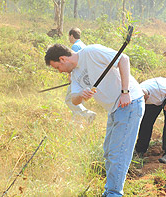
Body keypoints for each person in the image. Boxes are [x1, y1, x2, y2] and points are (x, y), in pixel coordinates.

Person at [45, 43, 145, 196]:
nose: (59, 71)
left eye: (57, 67)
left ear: (62, 59)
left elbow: (123, 59)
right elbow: (74, 99)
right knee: (109, 152)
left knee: (118, 153)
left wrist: (125, 91)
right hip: (114, 109)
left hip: (129, 103)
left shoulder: (91, 52)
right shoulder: (75, 75)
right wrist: (81, 95)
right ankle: (110, 191)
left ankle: (113, 193)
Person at [134, 77, 166, 163]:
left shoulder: (159, 87)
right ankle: (140, 150)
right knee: (146, 122)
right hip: (155, 100)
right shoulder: (137, 93)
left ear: (148, 96)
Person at [65, 27, 96, 124]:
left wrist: (70, 76)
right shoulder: (83, 45)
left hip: (77, 78)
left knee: (69, 100)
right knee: (78, 102)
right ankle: (78, 124)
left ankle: (88, 114)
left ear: (71, 35)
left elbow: (73, 63)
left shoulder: (75, 46)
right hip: (86, 78)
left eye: (69, 36)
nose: (69, 39)